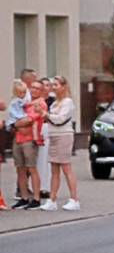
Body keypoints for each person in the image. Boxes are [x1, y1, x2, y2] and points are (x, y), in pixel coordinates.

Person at [39, 77, 78, 210]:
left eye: (56, 85)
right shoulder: (55, 103)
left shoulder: (67, 102)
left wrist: (46, 115)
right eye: (52, 85)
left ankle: (74, 199)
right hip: (54, 136)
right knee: (54, 169)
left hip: (63, 136)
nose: (53, 88)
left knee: (66, 168)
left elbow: (60, 119)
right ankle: (52, 200)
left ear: (64, 86)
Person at [12, 80, 47, 209]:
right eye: (32, 87)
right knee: (20, 169)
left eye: (37, 88)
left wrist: (15, 124)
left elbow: (29, 119)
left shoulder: (40, 103)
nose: (34, 90)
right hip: (18, 138)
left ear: (42, 91)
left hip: (30, 139)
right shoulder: (23, 102)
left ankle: (36, 198)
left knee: (31, 168)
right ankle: (24, 197)